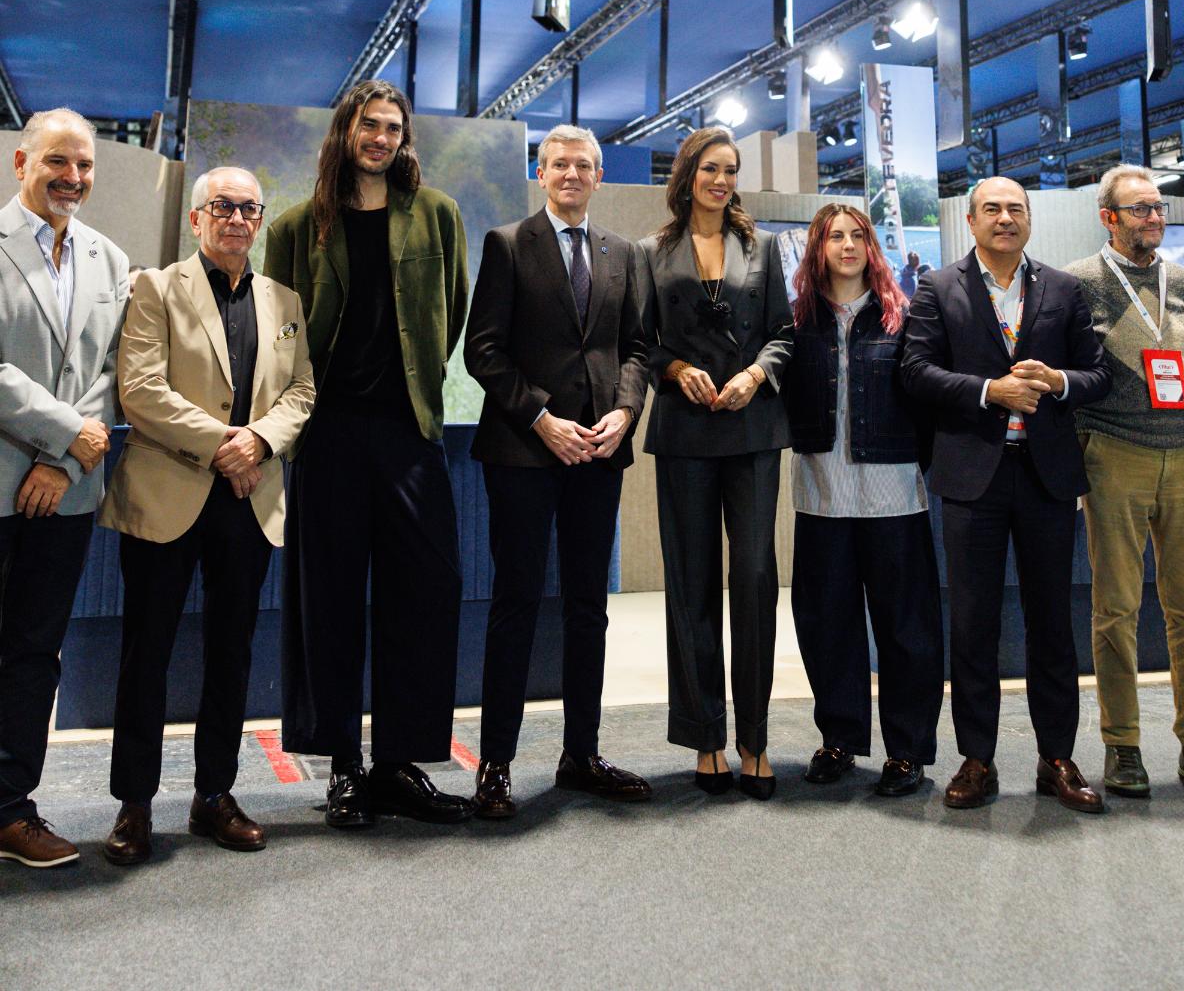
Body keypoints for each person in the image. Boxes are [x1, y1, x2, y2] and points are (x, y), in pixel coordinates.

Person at [264, 81, 471, 830]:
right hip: (328, 433)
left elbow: (452, 309)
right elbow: (279, 335)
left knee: (426, 591)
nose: (381, 138)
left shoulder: (437, 214)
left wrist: (413, 378)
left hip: (409, 430)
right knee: (329, 599)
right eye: (368, 125)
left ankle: (399, 764)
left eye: (392, 127)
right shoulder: (296, 227)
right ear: (345, 132)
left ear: (404, 138)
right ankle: (344, 767)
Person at [100, 168, 315, 864]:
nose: (237, 219)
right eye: (223, 206)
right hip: (169, 493)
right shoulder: (156, 289)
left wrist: (261, 441)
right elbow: (140, 390)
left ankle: (214, 795)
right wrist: (229, 445)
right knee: (147, 654)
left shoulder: (284, 300)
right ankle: (135, 804)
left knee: (232, 652)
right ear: (197, 219)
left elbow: (302, 391)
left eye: (249, 209)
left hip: (249, 501)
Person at [902, 177, 1110, 813]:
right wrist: (989, 391)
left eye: (1015, 208)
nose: (1004, 218)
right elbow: (915, 371)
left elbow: (1098, 374)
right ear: (971, 221)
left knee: (1053, 622)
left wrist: (1059, 380)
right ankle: (977, 759)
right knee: (973, 623)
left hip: (1047, 478)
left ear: (1029, 219)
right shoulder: (938, 288)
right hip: (973, 478)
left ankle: (1057, 759)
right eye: (991, 208)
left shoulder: (1063, 289)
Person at [464, 123, 650, 819]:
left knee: (588, 609)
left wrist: (625, 411)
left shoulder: (622, 253)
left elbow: (637, 349)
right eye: (559, 164)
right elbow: (482, 351)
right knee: (516, 604)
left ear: (599, 175)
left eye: (584, 165)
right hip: (523, 453)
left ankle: (582, 755)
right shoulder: (508, 244)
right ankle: (496, 765)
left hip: (598, 454)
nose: (572, 174)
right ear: (540, 174)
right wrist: (541, 418)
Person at [635, 128, 793, 798]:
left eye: (730, 170)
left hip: (752, 429)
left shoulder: (766, 248)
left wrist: (756, 375)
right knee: (691, 584)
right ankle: (707, 739)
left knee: (755, 579)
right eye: (710, 168)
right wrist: (675, 369)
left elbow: (785, 334)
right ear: (687, 174)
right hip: (684, 432)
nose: (721, 180)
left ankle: (755, 739)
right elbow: (639, 343)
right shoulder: (651, 251)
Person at [0, 110, 124, 868]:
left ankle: (10, 807)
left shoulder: (111, 259)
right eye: (57, 162)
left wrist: (65, 463)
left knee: (33, 653)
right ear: (22, 163)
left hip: (65, 491)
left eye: (83, 165)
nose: (72, 178)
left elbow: (114, 373)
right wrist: (64, 432)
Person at [786, 204, 943, 798]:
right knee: (827, 625)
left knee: (907, 629)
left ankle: (908, 750)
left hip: (894, 497)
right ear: (818, 248)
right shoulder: (796, 322)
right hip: (821, 496)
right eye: (835, 236)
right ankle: (840, 738)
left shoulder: (905, 317)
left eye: (857, 236)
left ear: (871, 247)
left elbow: (927, 403)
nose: (847, 245)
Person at [1067, 165, 1184, 798]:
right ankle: (1122, 743)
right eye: (1140, 208)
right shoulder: (1078, 283)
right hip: (1115, 454)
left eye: (1158, 207)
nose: (1154, 217)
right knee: (1116, 608)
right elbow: (1068, 373)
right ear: (1109, 218)